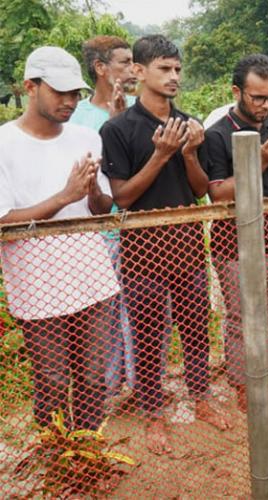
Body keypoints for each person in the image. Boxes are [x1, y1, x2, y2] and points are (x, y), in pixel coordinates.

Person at [100, 35, 231, 455]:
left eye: (177, 69)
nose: (174, 76)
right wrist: (160, 155)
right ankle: (153, 414)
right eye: (164, 68)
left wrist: (190, 153)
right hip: (142, 253)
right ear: (138, 71)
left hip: (189, 248)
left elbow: (200, 191)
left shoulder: (192, 125)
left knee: (195, 329)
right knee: (147, 337)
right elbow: (121, 197)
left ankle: (202, 399)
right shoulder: (119, 128)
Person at [0, 46, 119, 430]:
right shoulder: (4, 145)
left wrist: (93, 193)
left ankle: (88, 451)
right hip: (38, 289)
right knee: (52, 382)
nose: (70, 101)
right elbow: (3, 222)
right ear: (30, 87)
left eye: (75, 93)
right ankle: (59, 460)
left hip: (94, 280)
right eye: (60, 92)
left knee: (94, 377)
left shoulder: (85, 137)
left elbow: (101, 211)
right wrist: (64, 197)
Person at [204, 54, 268, 418]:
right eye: (257, 97)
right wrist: (261, 158)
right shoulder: (217, 134)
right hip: (236, 246)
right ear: (237, 92)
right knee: (241, 320)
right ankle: (243, 384)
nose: (266, 105)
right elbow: (217, 193)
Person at [69, 35, 138, 410]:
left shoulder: (140, 109)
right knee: (106, 311)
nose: (132, 70)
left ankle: (139, 383)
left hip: (133, 225)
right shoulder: (77, 118)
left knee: (139, 312)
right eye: (124, 62)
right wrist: (113, 124)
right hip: (99, 231)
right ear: (100, 68)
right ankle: (109, 388)